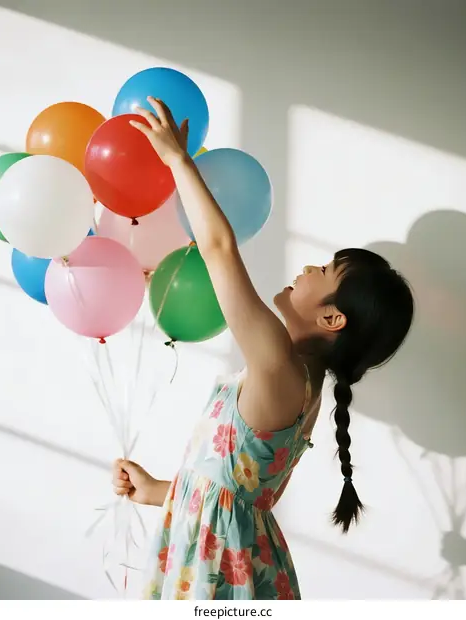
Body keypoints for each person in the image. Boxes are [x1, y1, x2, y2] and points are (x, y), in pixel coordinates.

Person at [111, 97, 415, 600]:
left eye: (323, 271)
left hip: (215, 578)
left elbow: (218, 249)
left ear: (332, 319)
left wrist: (177, 161)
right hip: (230, 565)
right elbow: (229, 498)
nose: (307, 270)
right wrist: (157, 492)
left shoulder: (278, 366)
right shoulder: (303, 383)